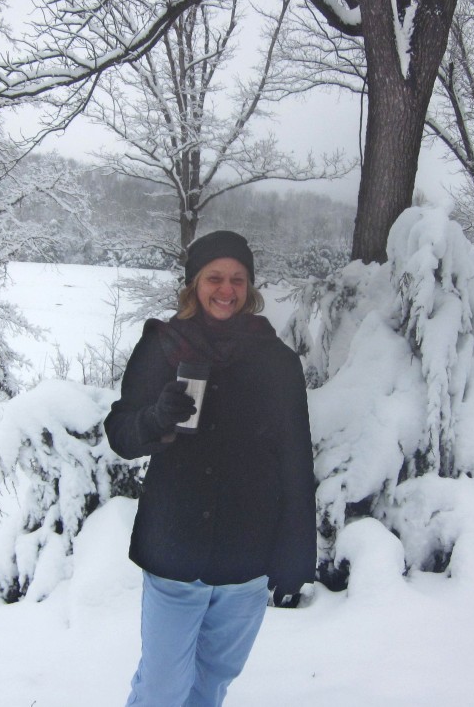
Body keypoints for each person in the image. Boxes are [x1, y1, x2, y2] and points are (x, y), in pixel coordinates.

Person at [105, 230, 316, 707]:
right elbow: (120, 434)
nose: (227, 289)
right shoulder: (163, 346)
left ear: (251, 287)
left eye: (238, 279)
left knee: (212, 683)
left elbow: (296, 459)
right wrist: (156, 418)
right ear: (194, 285)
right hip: (174, 551)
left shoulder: (277, 361)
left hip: (246, 558)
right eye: (215, 278)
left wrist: (296, 550)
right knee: (162, 689)